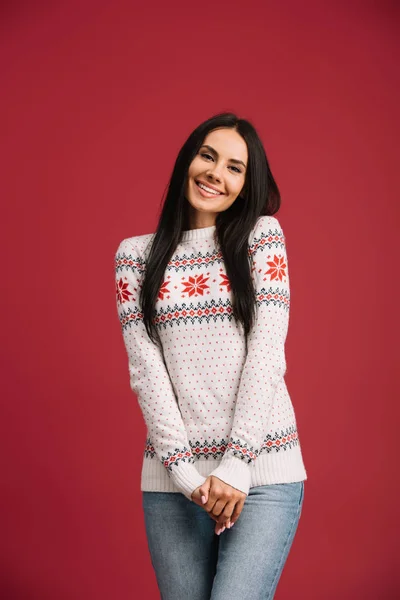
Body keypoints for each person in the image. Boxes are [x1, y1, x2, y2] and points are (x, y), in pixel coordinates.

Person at [114, 112, 307, 600]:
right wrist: (185, 476)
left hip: (261, 474)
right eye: (207, 156)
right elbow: (146, 371)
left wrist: (236, 465)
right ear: (188, 161)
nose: (216, 173)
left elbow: (267, 352)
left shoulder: (261, 238)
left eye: (235, 168)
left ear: (246, 184)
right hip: (174, 484)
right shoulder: (134, 257)